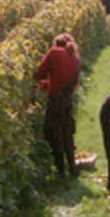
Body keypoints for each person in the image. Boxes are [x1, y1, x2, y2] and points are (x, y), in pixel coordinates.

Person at [33, 32, 82, 177]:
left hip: (55, 100)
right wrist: (50, 84)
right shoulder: (76, 59)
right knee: (67, 131)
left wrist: (42, 82)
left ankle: (60, 170)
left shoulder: (54, 53)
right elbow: (66, 84)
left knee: (54, 132)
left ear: (56, 43)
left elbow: (39, 74)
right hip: (67, 100)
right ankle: (72, 167)